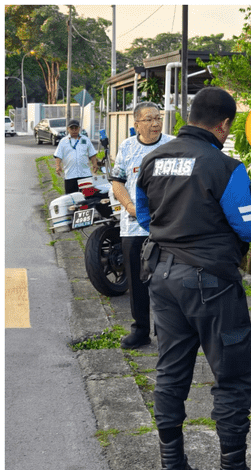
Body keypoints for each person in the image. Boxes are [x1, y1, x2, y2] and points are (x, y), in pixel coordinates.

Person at [135, 87, 251, 470]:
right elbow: (250, 225)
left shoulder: (152, 159)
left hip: (161, 277)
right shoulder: (225, 166)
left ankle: (171, 469)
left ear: (189, 115)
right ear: (224, 125)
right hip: (211, 283)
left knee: (170, 373)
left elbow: (145, 216)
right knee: (232, 376)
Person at [109, 102, 174, 350]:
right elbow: (117, 181)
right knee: (137, 281)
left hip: (167, 226)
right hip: (134, 227)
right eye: (149, 119)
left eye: (158, 118)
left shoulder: (172, 144)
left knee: (167, 280)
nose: (156, 123)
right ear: (136, 124)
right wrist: (129, 206)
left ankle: (167, 331)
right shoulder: (127, 147)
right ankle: (141, 330)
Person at [54, 119, 99, 194]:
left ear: (79, 128)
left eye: (76, 128)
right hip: (70, 175)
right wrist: (58, 166)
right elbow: (58, 155)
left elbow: (92, 154)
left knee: (87, 197)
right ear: (68, 129)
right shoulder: (63, 141)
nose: (74, 130)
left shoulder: (85, 140)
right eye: (72, 128)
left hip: (85, 174)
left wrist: (95, 164)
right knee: (71, 198)